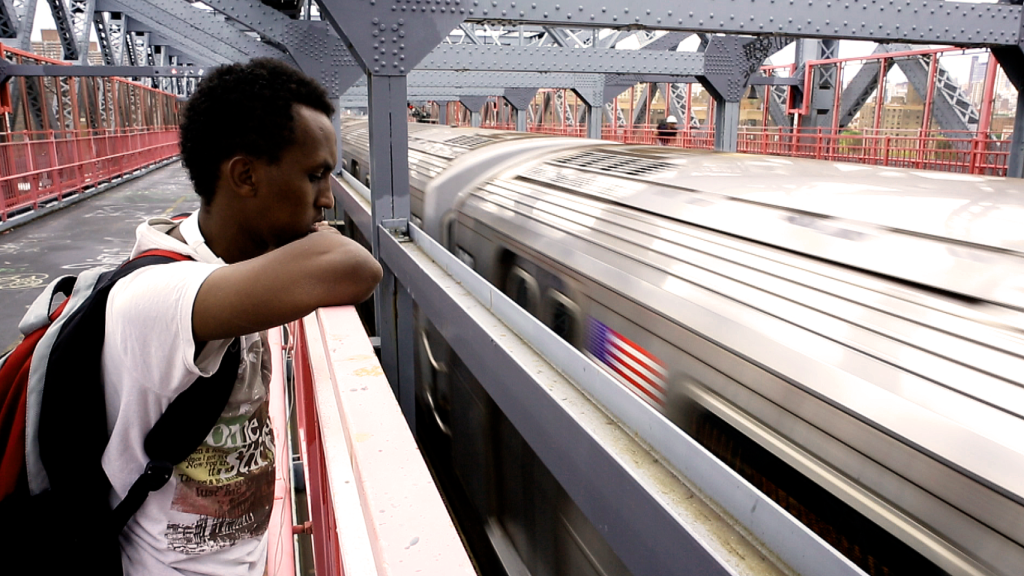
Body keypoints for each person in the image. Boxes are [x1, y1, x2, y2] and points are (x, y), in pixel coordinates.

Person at [101, 58, 382, 575]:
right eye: (316, 176)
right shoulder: (161, 295)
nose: (327, 200)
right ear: (245, 175)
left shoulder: (225, 261)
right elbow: (355, 267)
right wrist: (321, 242)